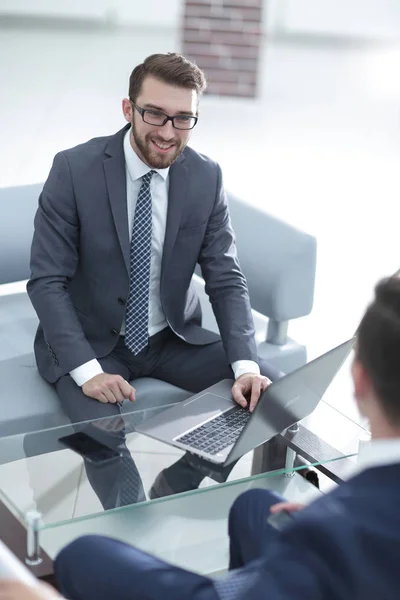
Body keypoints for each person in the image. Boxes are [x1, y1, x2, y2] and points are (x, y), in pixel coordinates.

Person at [27, 52, 282, 509]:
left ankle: (180, 482)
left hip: (172, 339)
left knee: (272, 393)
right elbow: (47, 280)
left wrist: (246, 366)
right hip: (94, 343)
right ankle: (132, 532)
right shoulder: (74, 169)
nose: (167, 132)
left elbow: (225, 277)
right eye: (155, 114)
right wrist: (87, 371)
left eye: (183, 118)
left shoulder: (205, 175)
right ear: (129, 110)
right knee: (103, 439)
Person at [49, 276, 400, 599]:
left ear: (359, 379)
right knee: (254, 506)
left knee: (82, 554)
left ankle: (150, 514)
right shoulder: (361, 505)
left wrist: (326, 523)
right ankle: (167, 486)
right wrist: (330, 510)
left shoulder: (327, 539)